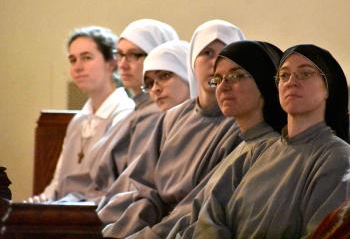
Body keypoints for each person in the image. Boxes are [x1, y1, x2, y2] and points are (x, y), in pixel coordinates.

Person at [97, 19, 245, 239]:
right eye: (207, 52)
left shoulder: (241, 123)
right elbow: (147, 190)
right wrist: (130, 231)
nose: (217, 63)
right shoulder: (173, 118)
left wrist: (152, 235)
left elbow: (205, 202)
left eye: (226, 54)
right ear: (193, 61)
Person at [193, 44, 350, 238]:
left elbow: (322, 232)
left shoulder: (338, 157)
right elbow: (214, 215)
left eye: (305, 74)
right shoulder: (265, 151)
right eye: (284, 75)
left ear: (328, 86)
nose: (291, 82)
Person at [147, 40, 286, 239]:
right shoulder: (244, 147)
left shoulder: (271, 151)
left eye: (236, 76)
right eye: (218, 79)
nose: (223, 87)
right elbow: (196, 215)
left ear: (264, 80)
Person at [53, 23, 183, 203]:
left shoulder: (156, 115)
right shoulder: (134, 112)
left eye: (135, 55)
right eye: (119, 54)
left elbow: (133, 186)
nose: (122, 64)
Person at [26, 26, 135, 203]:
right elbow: (58, 182)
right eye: (72, 60)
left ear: (112, 62)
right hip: (65, 208)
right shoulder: (78, 121)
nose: (77, 67)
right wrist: (42, 200)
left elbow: (116, 187)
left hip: (94, 213)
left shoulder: (125, 114)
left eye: (86, 58)